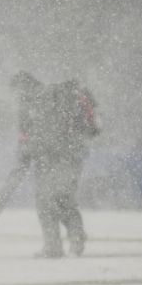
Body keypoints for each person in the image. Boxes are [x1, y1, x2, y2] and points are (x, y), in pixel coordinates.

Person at [14, 71, 99, 258]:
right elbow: (92, 130)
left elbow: (36, 137)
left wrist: (27, 152)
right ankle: (75, 239)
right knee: (62, 198)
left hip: (49, 158)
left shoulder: (38, 103)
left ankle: (55, 246)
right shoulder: (58, 98)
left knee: (47, 201)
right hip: (70, 156)